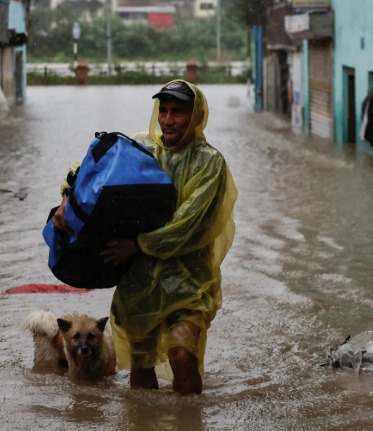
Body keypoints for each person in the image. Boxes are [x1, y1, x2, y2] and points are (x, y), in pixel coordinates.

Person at [53, 80, 237, 394]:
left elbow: (188, 224)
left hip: (188, 281)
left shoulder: (209, 163)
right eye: (163, 110)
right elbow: (87, 168)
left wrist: (137, 244)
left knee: (182, 356)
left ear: (197, 115)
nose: (167, 119)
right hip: (138, 281)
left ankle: (189, 421)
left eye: (177, 112)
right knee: (140, 365)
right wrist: (67, 198)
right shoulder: (141, 147)